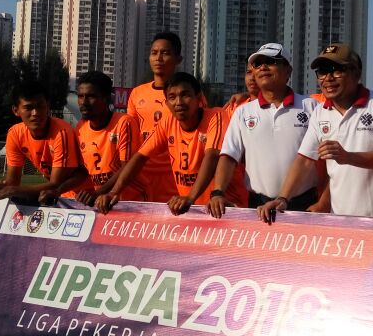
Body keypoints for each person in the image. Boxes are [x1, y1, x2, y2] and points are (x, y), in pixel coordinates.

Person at [257, 43, 373, 220]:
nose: (329, 78)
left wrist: (348, 157)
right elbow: (304, 160)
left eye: (337, 70)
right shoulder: (320, 112)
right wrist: (282, 198)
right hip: (339, 219)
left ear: (356, 73)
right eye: (323, 71)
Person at [98, 72, 245, 215]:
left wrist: (190, 198)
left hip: (226, 208)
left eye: (185, 95)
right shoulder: (168, 122)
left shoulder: (216, 116)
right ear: (167, 104)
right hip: (192, 211)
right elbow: (140, 157)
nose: (179, 102)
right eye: (172, 97)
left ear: (199, 98)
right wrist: (113, 192)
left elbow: (212, 156)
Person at [208, 43, 319, 217]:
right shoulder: (243, 112)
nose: (263, 67)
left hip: (303, 205)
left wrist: (323, 202)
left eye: (271, 61)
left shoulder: (311, 107)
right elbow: (229, 156)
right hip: (257, 204)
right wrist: (217, 192)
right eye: (258, 64)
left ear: (288, 71)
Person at [0, 80, 85, 204]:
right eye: (28, 108)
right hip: (60, 196)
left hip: (85, 195)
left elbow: (55, 184)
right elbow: (12, 182)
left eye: (40, 106)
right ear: (16, 110)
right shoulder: (15, 134)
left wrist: (13, 190)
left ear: (48, 106)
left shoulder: (61, 133)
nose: (35, 113)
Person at [126, 31, 187, 202]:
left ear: (178, 59)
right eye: (154, 53)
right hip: (141, 174)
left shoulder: (189, 95)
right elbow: (131, 135)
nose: (158, 58)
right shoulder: (137, 93)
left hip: (174, 176)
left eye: (165, 53)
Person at [72, 71, 143, 206]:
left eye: (91, 96)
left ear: (106, 98)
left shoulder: (124, 122)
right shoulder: (80, 127)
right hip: (103, 203)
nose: (84, 102)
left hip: (132, 203)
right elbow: (82, 170)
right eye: (80, 96)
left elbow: (127, 167)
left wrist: (99, 193)